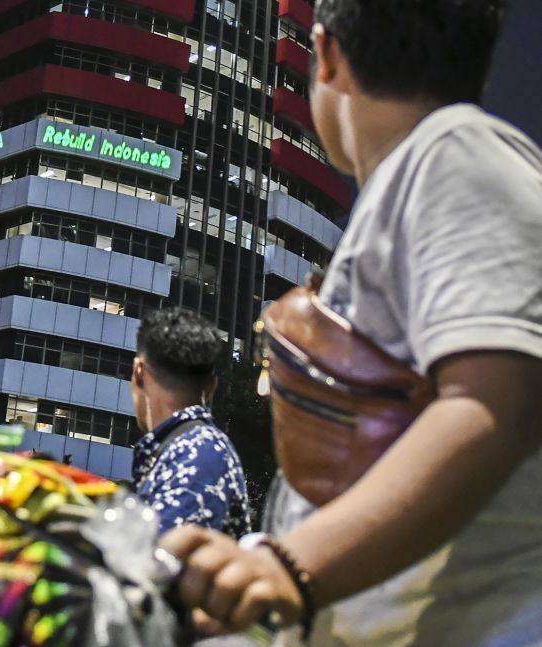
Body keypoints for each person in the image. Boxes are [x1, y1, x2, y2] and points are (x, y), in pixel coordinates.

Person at [160, 0, 542, 644]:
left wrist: (286, 567)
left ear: (327, 55)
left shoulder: (455, 151)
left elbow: (493, 402)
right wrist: (252, 565)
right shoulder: (424, 177)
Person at [130, 307, 250, 538]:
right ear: (211, 388)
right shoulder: (199, 449)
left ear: (138, 372)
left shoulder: (200, 451)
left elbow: (154, 566)